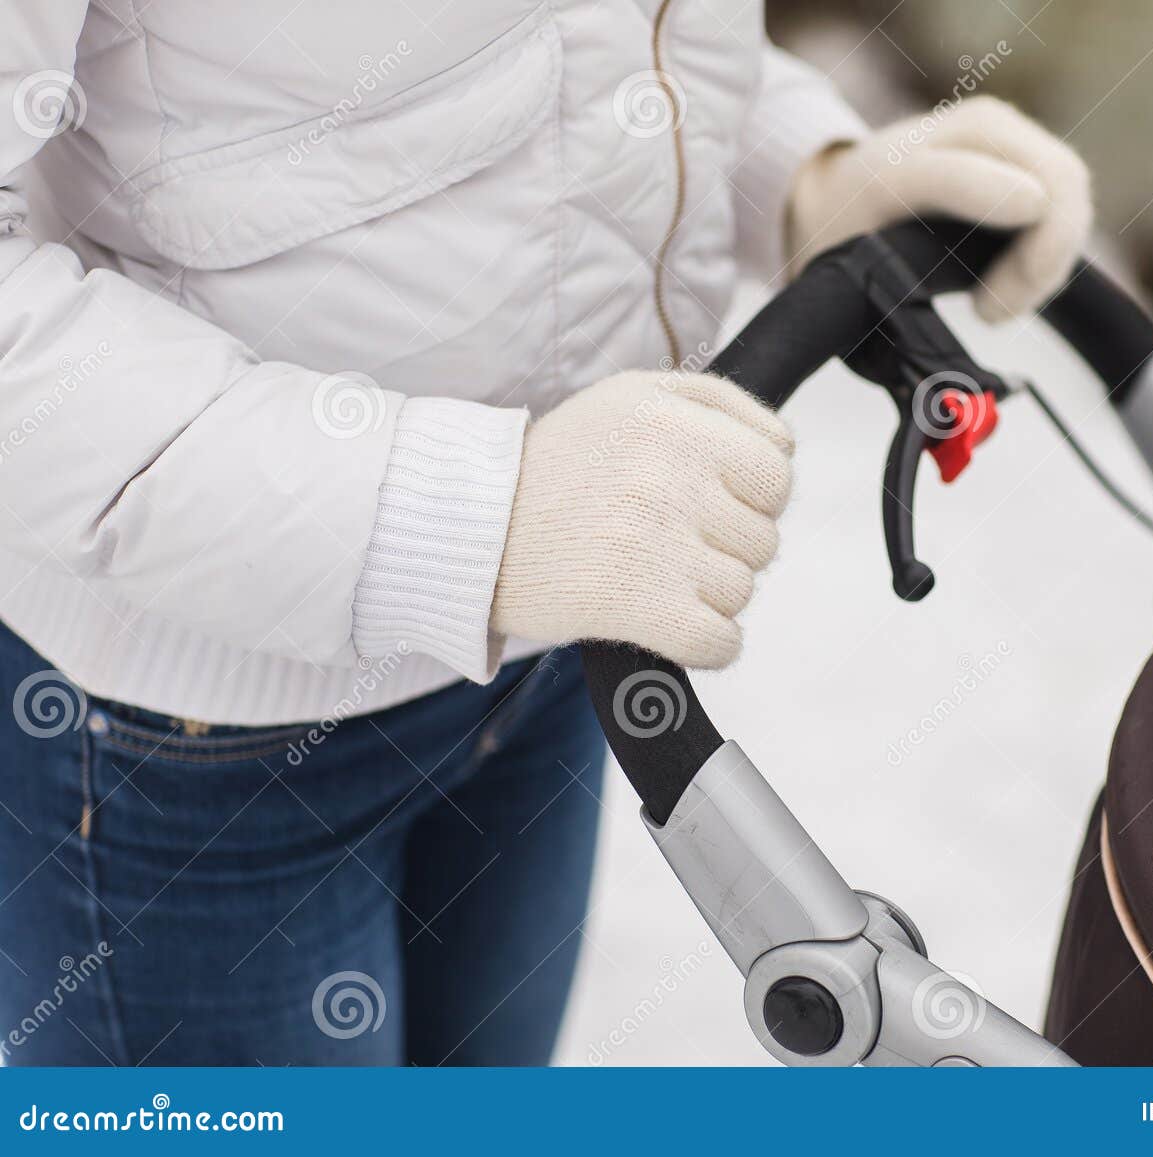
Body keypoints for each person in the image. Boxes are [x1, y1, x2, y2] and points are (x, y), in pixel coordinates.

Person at [0, 1, 1091, 1066]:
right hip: (194, 755)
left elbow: (591, 57)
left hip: (557, 658)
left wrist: (806, 176)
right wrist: (464, 514)